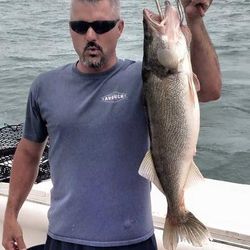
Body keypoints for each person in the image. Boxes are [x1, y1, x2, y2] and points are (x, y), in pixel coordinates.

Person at [2, 0, 221, 249]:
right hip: (63, 239)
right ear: (70, 29)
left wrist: (194, 19)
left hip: (133, 241)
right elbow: (29, 154)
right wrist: (10, 214)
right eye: (80, 26)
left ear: (120, 28)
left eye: (102, 25)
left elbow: (210, 90)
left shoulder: (146, 78)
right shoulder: (44, 87)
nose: (91, 35)